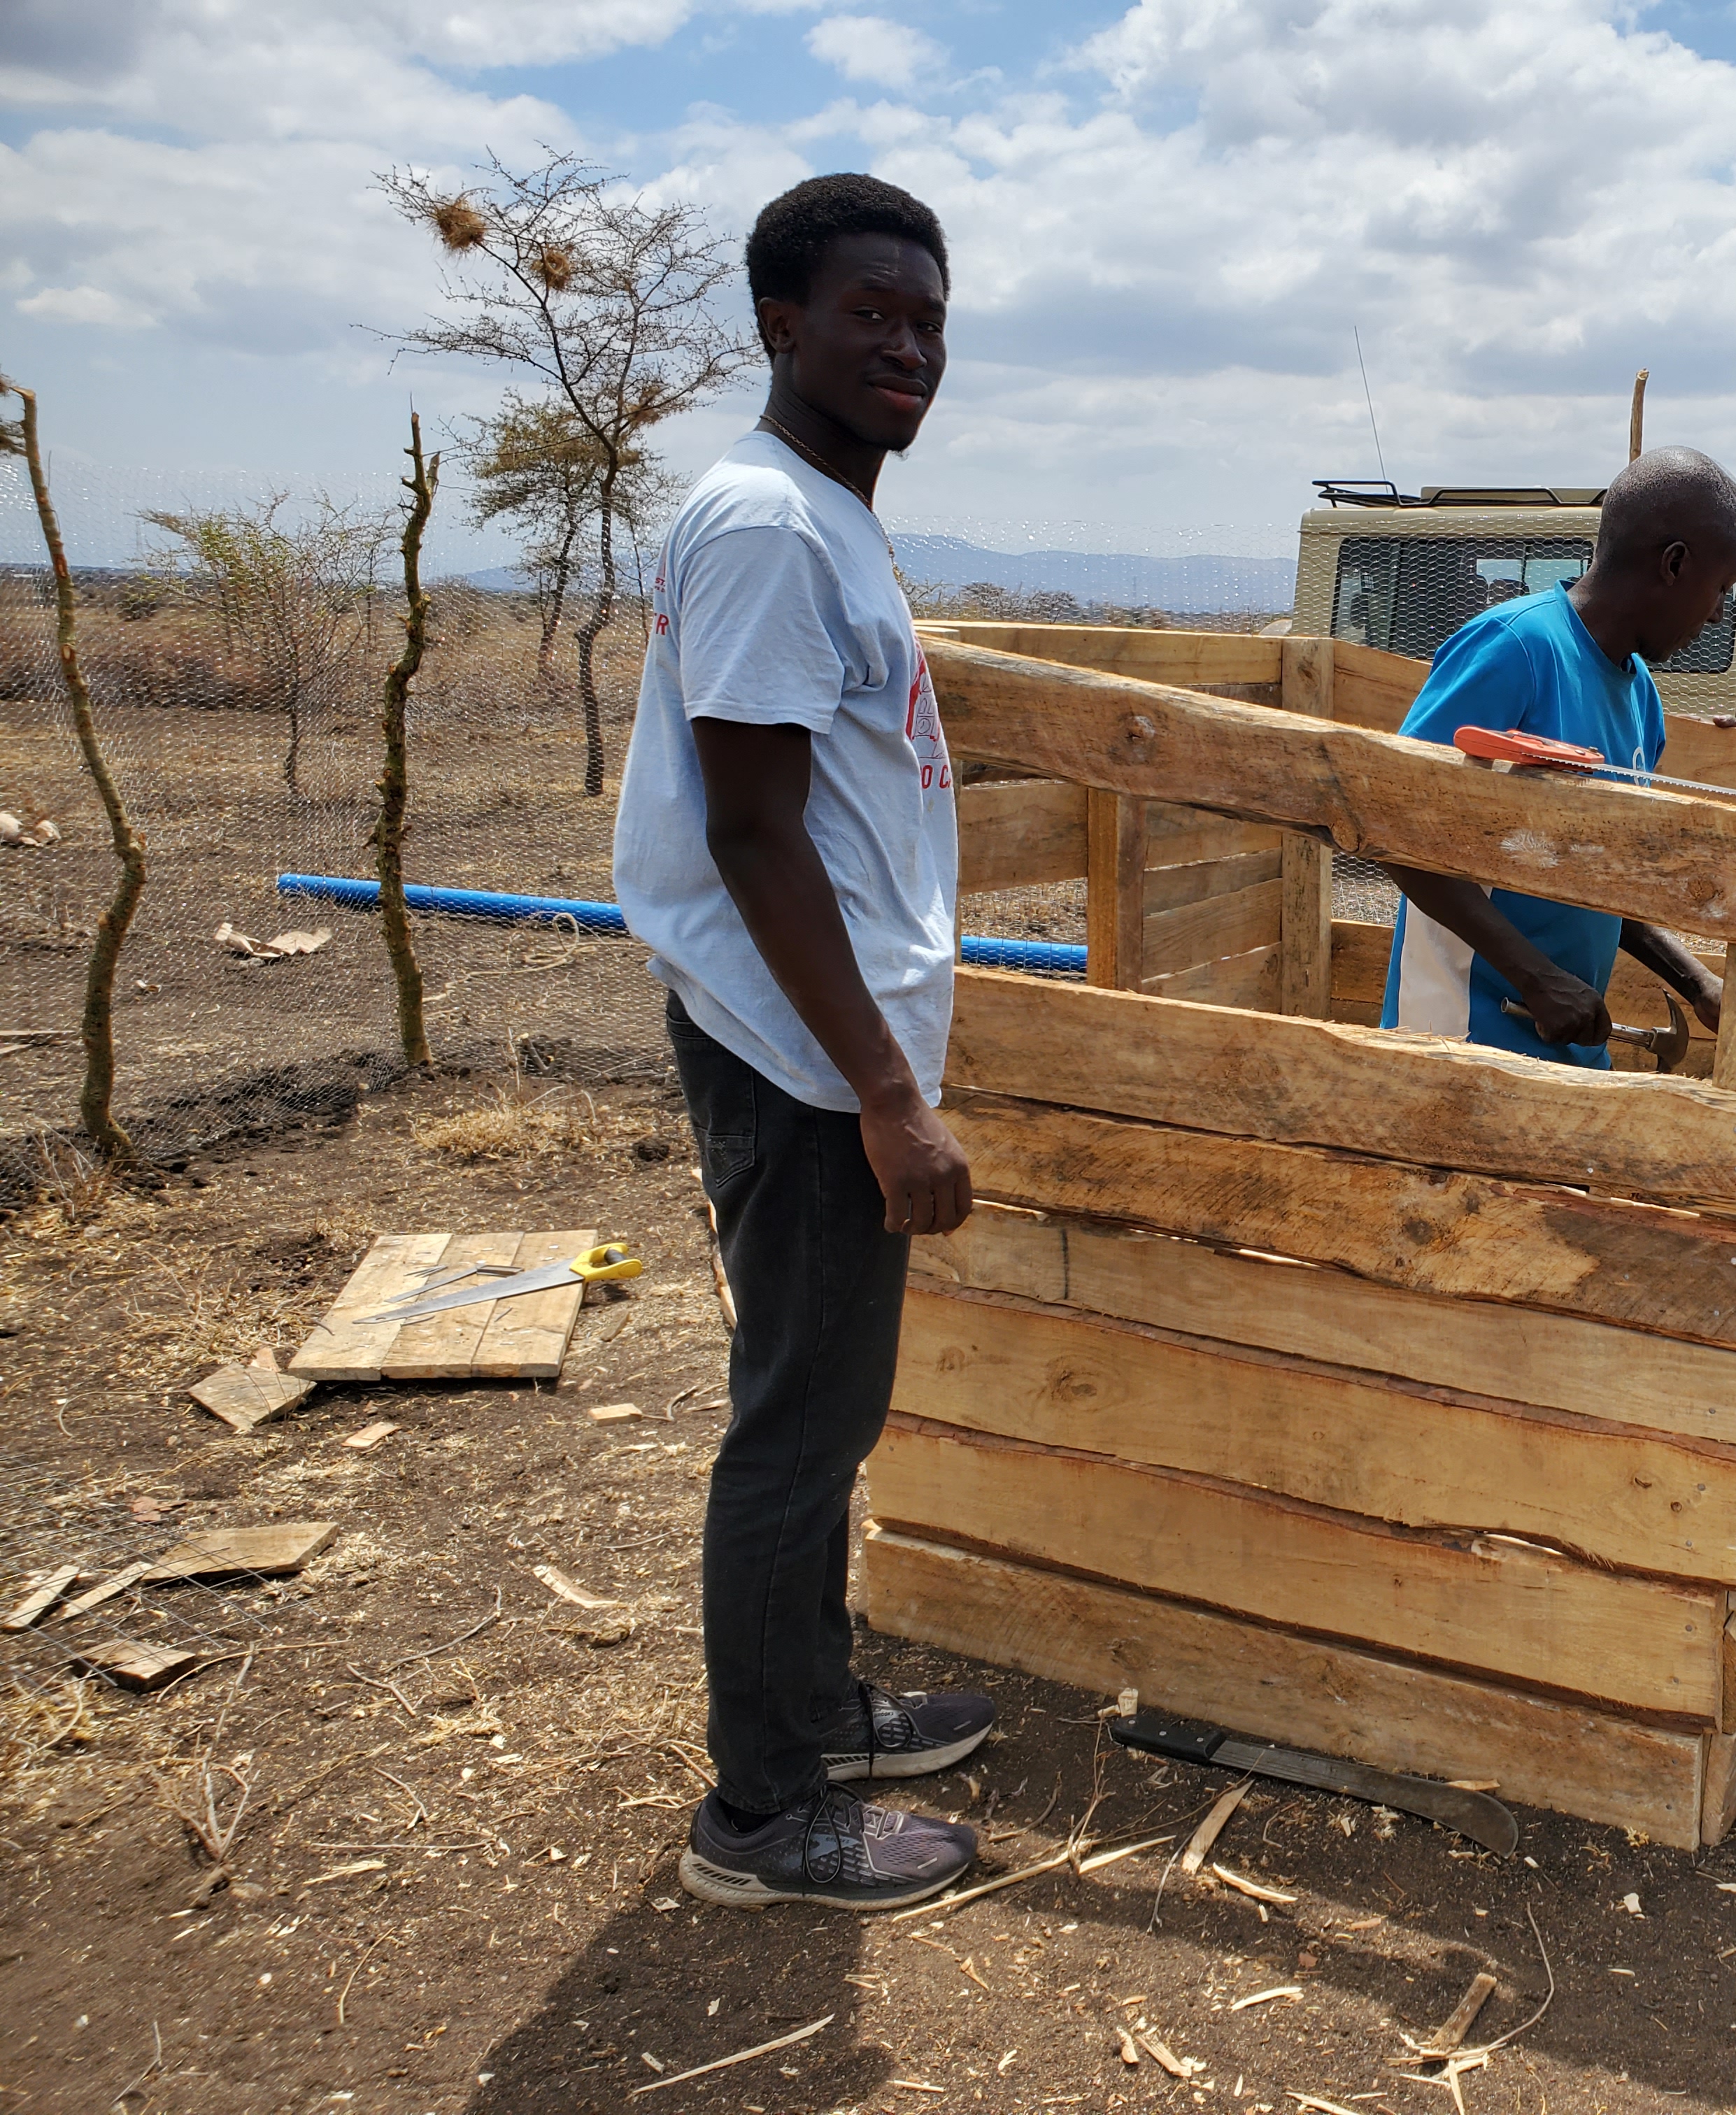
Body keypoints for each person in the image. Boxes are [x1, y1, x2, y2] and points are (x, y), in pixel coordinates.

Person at [612, 173, 993, 1912]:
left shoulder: (822, 512)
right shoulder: (766, 524)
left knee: (825, 1414)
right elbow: (756, 832)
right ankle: (761, 1818)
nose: (907, 345)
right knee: (795, 1427)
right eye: (869, 313)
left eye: (926, 317)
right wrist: (889, 1097)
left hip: (827, 1050)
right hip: (803, 1059)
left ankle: (818, 1712)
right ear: (780, 324)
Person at [1380, 449, 1736, 1059]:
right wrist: (1536, 978)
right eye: (1722, 589)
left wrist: (1696, 982)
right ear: (1674, 564)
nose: (1717, 614)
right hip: (1460, 1036)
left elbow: (1592, 876)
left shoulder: (1641, 699)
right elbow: (1390, 823)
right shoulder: (1516, 648)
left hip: (1564, 1033)